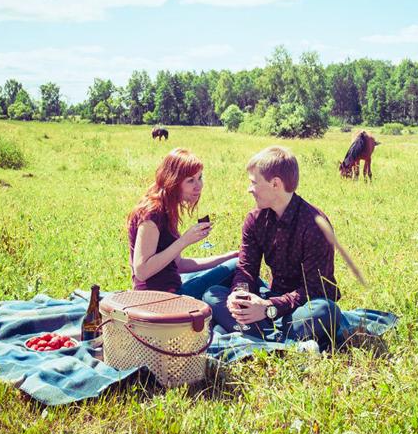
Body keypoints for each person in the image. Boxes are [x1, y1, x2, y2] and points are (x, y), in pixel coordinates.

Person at [203, 146, 342, 345]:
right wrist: (239, 296)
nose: (249, 189)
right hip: (270, 298)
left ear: (275, 184)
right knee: (213, 294)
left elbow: (314, 289)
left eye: (254, 182)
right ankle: (275, 340)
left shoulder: (315, 225)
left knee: (327, 311)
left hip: (301, 306)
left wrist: (269, 308)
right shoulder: (255, 219)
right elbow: (246, 268)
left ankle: (250, 334)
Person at [127, 148, 238, 298]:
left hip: (171, 288)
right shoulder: (153, 213)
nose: (198, 185)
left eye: (200, 177)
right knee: (237, 265)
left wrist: (226, 257)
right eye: (190, 180)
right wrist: (185, 240)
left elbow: (178, 265)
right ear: (173, 181)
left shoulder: (167, 208)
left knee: (232, 262)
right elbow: (142, 271)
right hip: (159, 298)